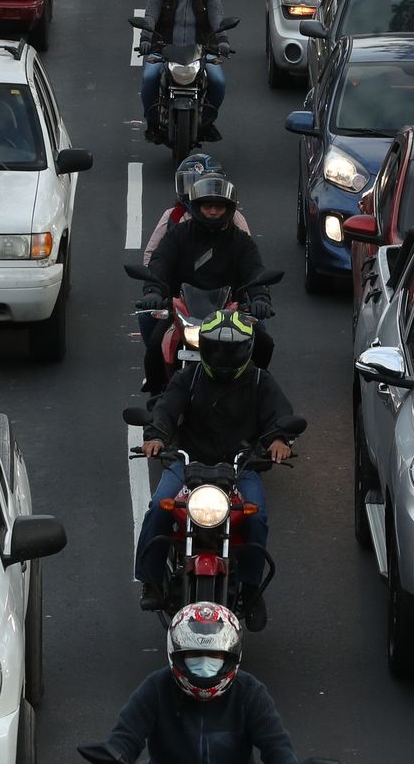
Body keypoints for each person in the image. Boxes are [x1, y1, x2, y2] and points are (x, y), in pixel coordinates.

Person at [134, 305, 299, 627]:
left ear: (246, 350)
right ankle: (150, 580)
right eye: (217, 349)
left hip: (241, 466)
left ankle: (251, 589)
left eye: (231, 350)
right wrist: (155, 437)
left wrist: (279, 439)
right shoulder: (188, 376)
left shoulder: (260, 380)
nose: (224, 357)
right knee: (159, 507)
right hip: (188, 462)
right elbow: (166, 408)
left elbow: (279, 414)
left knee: (256, 516)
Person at [87, 603, 299, 764]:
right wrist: (115, 754)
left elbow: (276, 745)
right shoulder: (157, 687)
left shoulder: (250, 692)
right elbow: (126, 736)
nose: (205, 664)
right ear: (177, 655)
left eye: (214, 656)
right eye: (195, 655)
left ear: (231, 657)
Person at [137, 169, 274, 392]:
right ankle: (157, 396)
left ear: (229, 208)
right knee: (154, 348)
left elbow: (255, 271)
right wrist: (153, 290)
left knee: (264, 344)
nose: (213, 211)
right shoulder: (178, 235)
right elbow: (159, 262)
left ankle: (255, 393)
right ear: (196, 206)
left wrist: (260, 299)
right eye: (207, 206)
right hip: (182, 313)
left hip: (231, 315)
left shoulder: (241, 241)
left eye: (218, 207)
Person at [139, 0, 228, 141]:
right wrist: (146, 39)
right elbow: (150, 17)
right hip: (163, 49)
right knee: (149, 78)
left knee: (218, 82)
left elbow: (218, 21)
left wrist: (222, 41)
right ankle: (152, 123)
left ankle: (207, 121)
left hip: (202, 51)